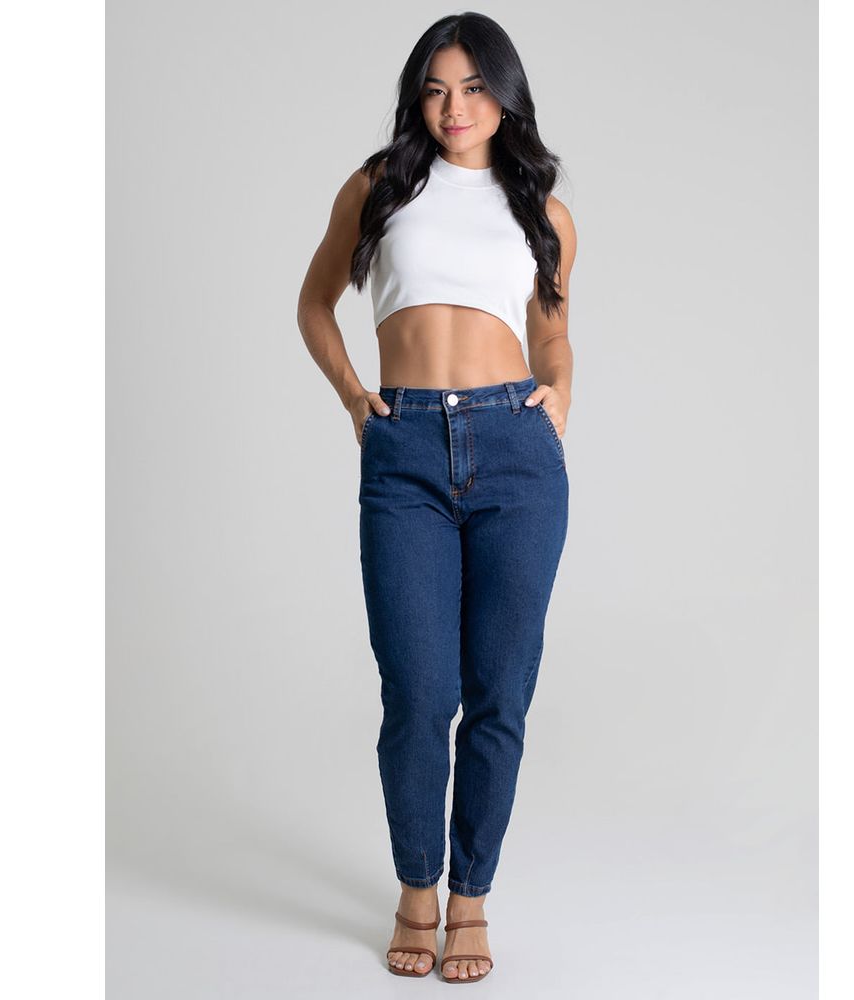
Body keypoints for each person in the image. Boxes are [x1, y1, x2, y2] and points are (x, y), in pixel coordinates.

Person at [297, 12, 576, 984]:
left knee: (500, 695)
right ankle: (417, 886)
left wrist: (560, 393)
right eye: (435, 89)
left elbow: (551, 331)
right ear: (417, 99)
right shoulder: (379, 186)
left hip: (515, 454)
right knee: (419, 694)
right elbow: (314, 301)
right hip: (406, 446)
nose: (454, 108)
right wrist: (355, 399)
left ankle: (470, 901)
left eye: (474, 87)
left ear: (505, 94)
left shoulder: (541, 209)